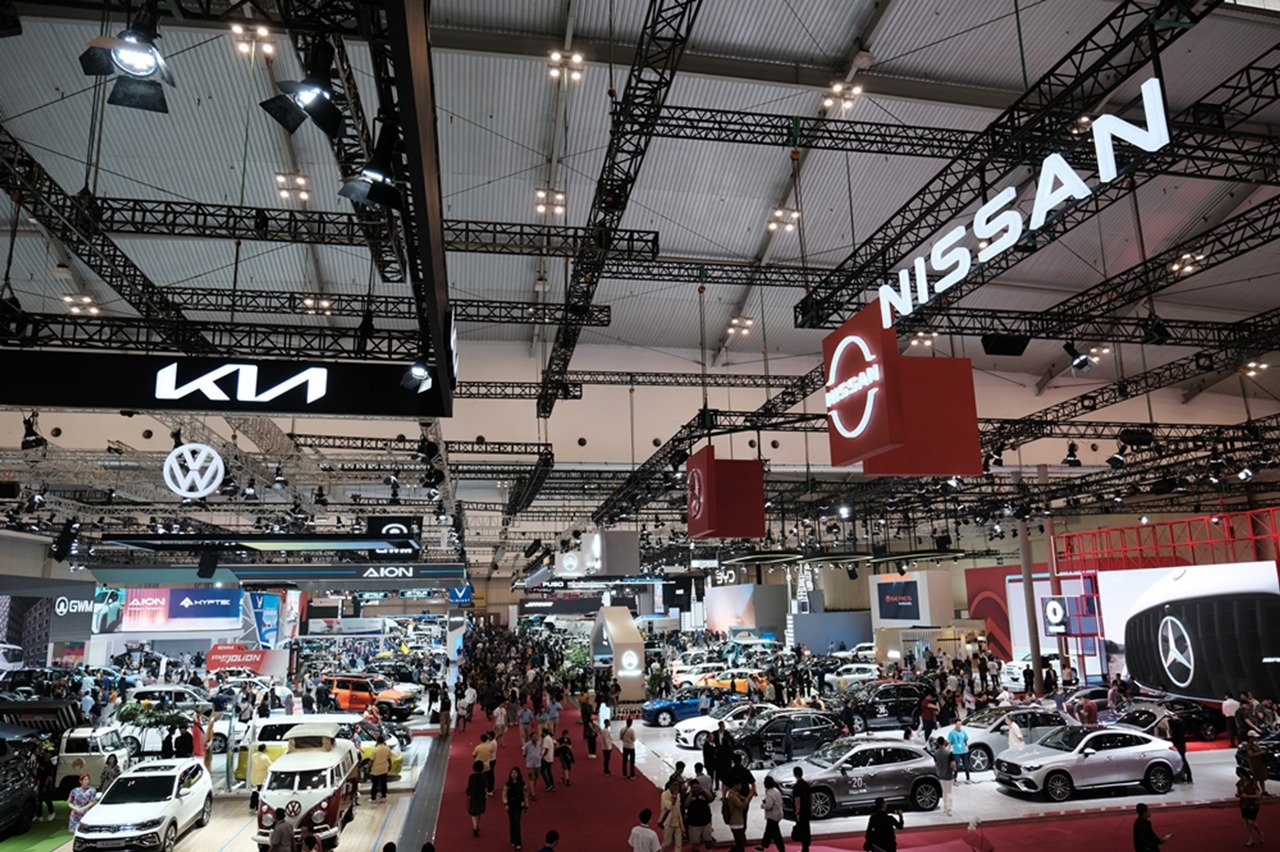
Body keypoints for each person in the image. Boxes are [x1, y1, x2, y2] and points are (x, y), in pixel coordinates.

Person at [1237, 766, 1266, 847]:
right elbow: (1239, 793)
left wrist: (1247, 796)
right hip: (1244, 804)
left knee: (1251, 821)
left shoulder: (1252, 783)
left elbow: (1258, 795)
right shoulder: (1239, 783)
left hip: (1253, 804)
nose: (1241, 777)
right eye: (1239, 776)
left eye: (1241, 775)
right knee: (1247, 822)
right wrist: (1239, 795)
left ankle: (1260, 833)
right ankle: (1250, 838)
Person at [684, 779, 715, 852]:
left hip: (706, 822)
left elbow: (711, 798)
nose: (696, 789)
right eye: (693, 788)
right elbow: (685, 806)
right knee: (695, 843)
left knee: (708, 840)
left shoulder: (704, 793)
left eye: (697, 787)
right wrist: (690, 795)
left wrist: (704, 789)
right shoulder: (688, 795)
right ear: (691, 788)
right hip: (693, 824)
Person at [502, 767, 526, 850]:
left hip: (519, 805)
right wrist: (505, 803)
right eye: (512, 773)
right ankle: (512, 839)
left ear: (518, 774)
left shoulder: (522, 784)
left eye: (515, 773)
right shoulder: (507, 784)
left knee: (516, 822)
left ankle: (518, 842)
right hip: (510, 805)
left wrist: (525, 804)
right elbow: (504, 794)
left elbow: (525, 794)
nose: (513, 774)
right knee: (512, 822)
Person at [724, 780, 752, 852]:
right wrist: (749, 796)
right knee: (740, 845)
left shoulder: (735, 794)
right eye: (740, 785)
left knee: (740, 843)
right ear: (735, 785)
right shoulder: (731, 796)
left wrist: (748, 796)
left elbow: (745, 800)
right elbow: (742, 806)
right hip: (735, 822)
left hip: (738, 821)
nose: (741, 787)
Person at [760, 775, 785, 852]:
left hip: (772, 816)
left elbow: (769, 806)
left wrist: (762, 805)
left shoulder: (770, 793)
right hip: (778, 814)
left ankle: (781, 849)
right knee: (769, 831)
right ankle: (763, 845)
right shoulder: (776, 790)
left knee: (776, 835)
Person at [659, 776, 685, 852]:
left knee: (678, 843)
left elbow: (679, 809)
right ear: (670, 785)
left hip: (678, 822)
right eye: (674, 785)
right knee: (667, 842)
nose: (676, 787)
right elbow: (668, 807)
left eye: (677, 785)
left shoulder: (678, 794)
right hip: (668, 822)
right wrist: (674, 796)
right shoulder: (664, 794)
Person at [933, 736, 956, 817]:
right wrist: (954, 769)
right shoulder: (949, 753)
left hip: (940, 775)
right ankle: (949, 809)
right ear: (944, 742)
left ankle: (945, 808)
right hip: (948, 775)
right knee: (949, 792)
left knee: (944, 791)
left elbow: (936, 765)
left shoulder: (936, 753)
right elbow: (952, 765)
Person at [791, 765, 812, 852]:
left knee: (801, 829)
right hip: (807, 810)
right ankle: (806, 847)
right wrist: (811, 808)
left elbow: (797, 800)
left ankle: (804, 848)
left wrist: (797, 812)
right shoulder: (807, 785)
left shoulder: (796, 787)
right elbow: (811, 798)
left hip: (801, 812)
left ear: (794, 774)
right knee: (806, 829)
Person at [466, 760, 487, 837]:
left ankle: (474, 826)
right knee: (479, 811)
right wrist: (486, 795)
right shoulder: (484, 776)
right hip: (481, 795)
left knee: (473, 812)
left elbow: (469, 786)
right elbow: (485, 787)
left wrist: (468, 793)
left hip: (473, 795)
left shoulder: (472, 776)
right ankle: (477, 824)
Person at [250, 743, 273, 811]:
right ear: (264, 749)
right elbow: (270, 765)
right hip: (261, 778)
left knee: (254, 791)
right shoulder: (265, 757)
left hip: (253, 777)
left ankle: (252, 805)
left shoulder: (253, 755)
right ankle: (257, 806)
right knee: (259, 792)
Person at [370, 735, 392, 803]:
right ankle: (384, 796)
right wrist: (390, 766)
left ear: (377, 741)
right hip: (384, 768)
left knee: (374, 784)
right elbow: (389, 759)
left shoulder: (375, 749)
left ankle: (373, 798)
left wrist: (368, 768)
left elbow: (371, 760)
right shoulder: (387, 748)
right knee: (384, 783)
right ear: (383, 741)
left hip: (376, 769)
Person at [523, 730, 542, 800]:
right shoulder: (527, 745)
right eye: (534, 736)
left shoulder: (539, 744)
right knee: (531, 779)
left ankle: (532, 790)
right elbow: (524, 754)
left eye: (536, 736)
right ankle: (533, 794)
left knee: (535, 778)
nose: (536, 737)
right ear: (531, 738)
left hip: (538, 764)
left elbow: (540, 752)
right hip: (530, 765)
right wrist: (529, 759)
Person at [540, 727, 557, 791]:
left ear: (544, 733)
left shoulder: (546, 739)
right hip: (550, 758)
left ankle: (549, 785)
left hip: (546, 758)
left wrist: (542, 756)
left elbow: (546, 749)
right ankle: (552, 785)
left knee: (542, 771)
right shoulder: (549, 738)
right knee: (549, 772)